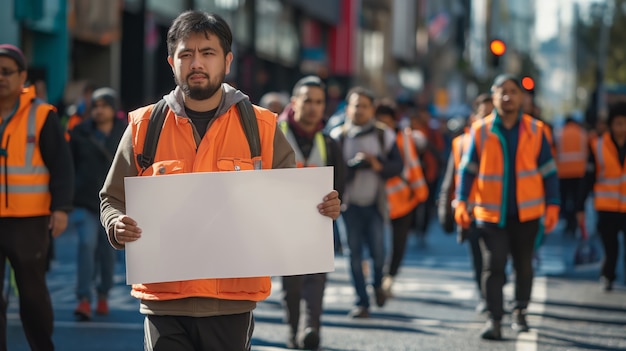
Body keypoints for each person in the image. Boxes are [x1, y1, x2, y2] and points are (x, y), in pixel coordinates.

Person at [99, 11, 340, 351]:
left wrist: (321, 208)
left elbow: (295, 203)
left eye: (207, 53)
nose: (196, 62)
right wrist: (116, 224)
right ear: (171, 62)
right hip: (163, 301)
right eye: (186, 54)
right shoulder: (144, 126)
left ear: (227, 61)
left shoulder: (262, 127)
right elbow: (112, 197)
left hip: (232, 302)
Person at [455, 74, 560, 340]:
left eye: (513, 91)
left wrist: (553, 205)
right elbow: (468, 170)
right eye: (501, 91)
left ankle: (521, 311)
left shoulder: (537, 131)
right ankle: (495, 319)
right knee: (494, 267)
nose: (507, 97)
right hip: (491, 214)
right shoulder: (480, 130)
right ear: (493, 96)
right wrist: (461, 201)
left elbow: (549, 172)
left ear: (521, 97)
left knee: (524, 266)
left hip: (527, 213)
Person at [0, 43, 74, 350]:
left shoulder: (42, 115)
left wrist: (60, 209)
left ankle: (42, 346)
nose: (0, 78)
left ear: (22, 76)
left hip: (29, 220)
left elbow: (62, 165)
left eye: (6, 72)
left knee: (31, 293)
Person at [278, 75, 345, 350]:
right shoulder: (274, 135)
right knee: (292, 285)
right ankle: (295, 329)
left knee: (316, 280)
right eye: (308, 101)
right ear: (294, 103)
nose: (314, 107)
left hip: (317, 223)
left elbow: (340, 185)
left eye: (319, 102)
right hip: (284, 224)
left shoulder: (329, 143)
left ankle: (310, 328)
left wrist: (335, 205)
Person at [329, 87, 403, 318]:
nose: (359, 110)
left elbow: (398, 166)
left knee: (379, 253)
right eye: (355, 105)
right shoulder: (336, 136)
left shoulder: (384, 135)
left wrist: (376, 164)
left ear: (372, 109)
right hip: (348, 206)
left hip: (375, 204)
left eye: (364, 106)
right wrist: (351, 167)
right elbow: (330, 173)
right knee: (353, 255)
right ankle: (362, 301)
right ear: (347, 108)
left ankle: (378, 285)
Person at [68, 87, 126, 320]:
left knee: (108, 253)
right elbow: (69, 166)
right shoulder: (79, 133)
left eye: (104, 105)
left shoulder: (126, 133)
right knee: (85, 245)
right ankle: (83, 298)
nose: (99, 110)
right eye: (95, 106)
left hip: (115, 206)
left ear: (114, 109)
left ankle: (103, 294)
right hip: (85, 202)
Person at [437, 93, 492, 313]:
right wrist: (445, 211)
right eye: (483, 114)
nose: (488, 120)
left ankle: (494, 295)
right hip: (471, 212)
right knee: (479, 258)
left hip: (501, 213)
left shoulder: (508, 141)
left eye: (492, 114)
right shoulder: (461, 143)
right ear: (474, 118)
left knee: (496, 260)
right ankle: (486, 298)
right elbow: (449, 180)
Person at [375, 100, 428, 297]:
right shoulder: (371, 136)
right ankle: (378, 278)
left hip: (403, 198)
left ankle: (389, 277)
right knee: (377, 242)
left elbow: (413, 164)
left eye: (386, 121)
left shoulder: (403, 137)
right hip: (378, 199)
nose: (383, 125)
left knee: (399, 242)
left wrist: (419, 191)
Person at [576, 102, 626, 292]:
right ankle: (608, 276)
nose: (622, 128)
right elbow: (587, 179)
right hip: (606, 206)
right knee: (610, 246)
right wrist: (580, 207)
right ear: (611, 125)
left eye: (625, 123)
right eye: (618, 123)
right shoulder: (597, 146)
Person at [556, 114, 588, 238]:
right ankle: (574, 223)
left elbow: (554, 152)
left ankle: (568, 221)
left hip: (563, 173)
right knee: (576, 200)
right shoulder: (582, 133)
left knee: (564, 199)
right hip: (579, 173)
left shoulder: (560, 133)